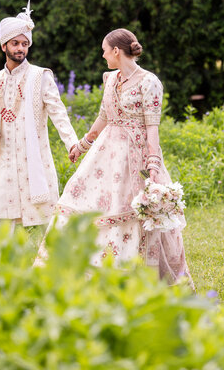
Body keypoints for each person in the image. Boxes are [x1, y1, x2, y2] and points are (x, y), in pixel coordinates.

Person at [37, 28, 192, 286]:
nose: (103, 55)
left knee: (132, 211)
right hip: (105, 155)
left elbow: (152, 126)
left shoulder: (149, 82)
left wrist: (153, 163)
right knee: (81, 197)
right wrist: (83, 144)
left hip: (135, 156)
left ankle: (132, 276)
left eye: (105, 51)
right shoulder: (110, 79)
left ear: (117, 51)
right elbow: (104, 116)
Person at [0, 1, 79, 230]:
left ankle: (52, 263)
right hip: (3, 160)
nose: (20, 48)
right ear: (4, 46)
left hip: (34, 159)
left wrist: (72, 142)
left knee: (48, 223)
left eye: (25, 44)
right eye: (15, 43)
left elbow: (58, 113)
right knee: (2, 222)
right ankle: (2, 265)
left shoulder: (40, 76)